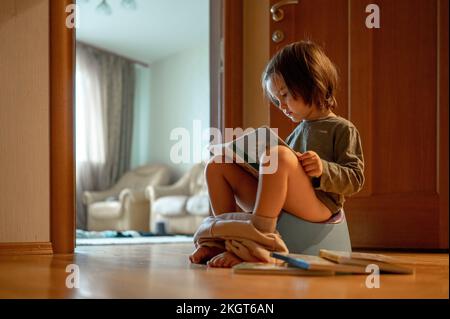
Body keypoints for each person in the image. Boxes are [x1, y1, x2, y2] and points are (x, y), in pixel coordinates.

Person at [190, 40, 365, 268]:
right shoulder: (296, 133)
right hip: (285, 204)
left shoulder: (342, 129)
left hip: (321, 206)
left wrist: (323, 169)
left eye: (285, 94)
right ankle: (226, 241)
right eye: (276, 99)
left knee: (280, 156)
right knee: (217, 164)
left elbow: (356, 179)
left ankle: (257, 246)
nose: (281, 105)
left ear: (312, 82)